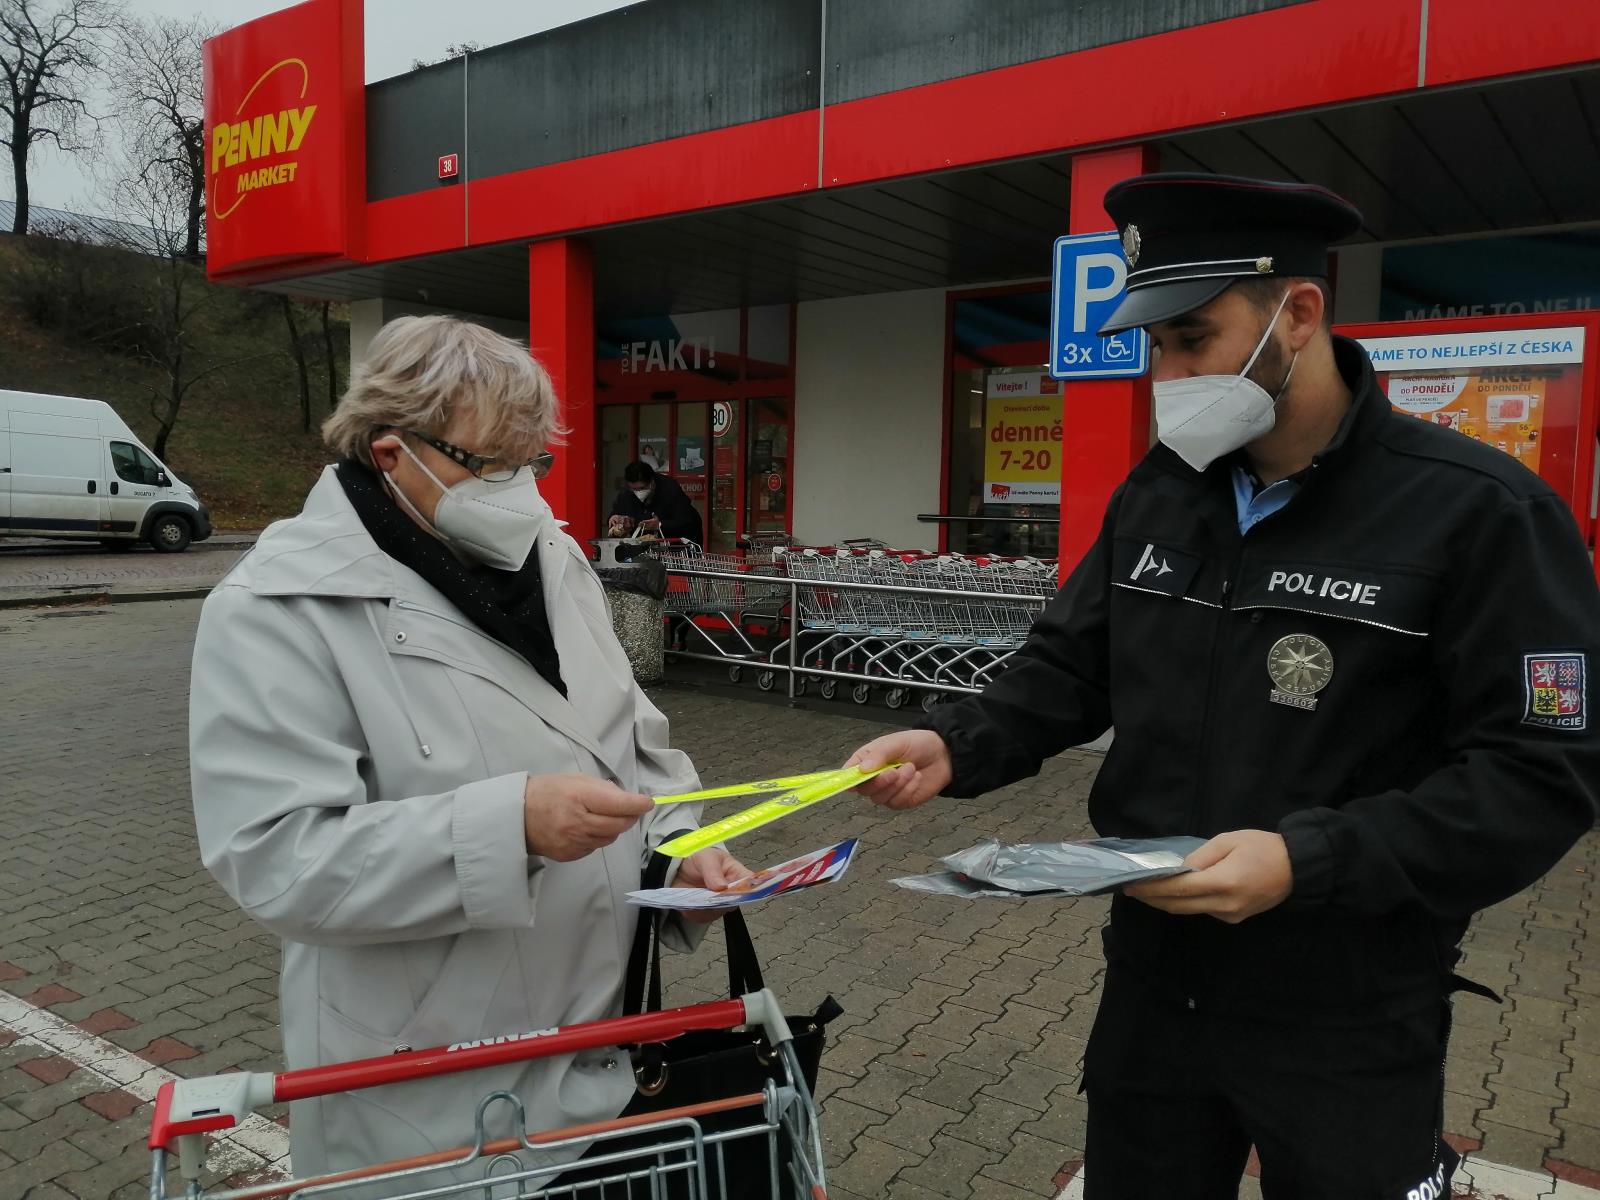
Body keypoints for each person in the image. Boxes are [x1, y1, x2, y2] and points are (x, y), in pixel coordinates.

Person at [848, 174, 1600, 1199]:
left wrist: (1309, 859)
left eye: (1191, 338)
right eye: (1153, 345)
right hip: (1155, 985)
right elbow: (1071, 665)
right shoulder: (1163, 489)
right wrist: (958, 740)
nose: (1167, 373)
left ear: (1297, 315)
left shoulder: (1481, 514)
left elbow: (1540, 772)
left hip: (1347, 1001)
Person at [189, 315, 744, 1186]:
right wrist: (507, 827)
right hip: (428, 1085)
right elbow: (275, 855)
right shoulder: (279, 607)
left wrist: (679, 860)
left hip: (602, 1052)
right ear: (390, 451)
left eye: (534, 463)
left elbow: (638, 747)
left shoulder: (555, 562)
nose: (520, 490)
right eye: (491, 464)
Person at [609, 460, 704, 544]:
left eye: (642, 488)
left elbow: (685, 521)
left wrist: (659, 525)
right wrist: (615, 519)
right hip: (646, 544)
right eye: (634, 489)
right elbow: (616, 512)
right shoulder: (627, 492)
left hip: (680, 543)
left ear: (652, 481)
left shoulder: (670, 489)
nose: (638, 493)